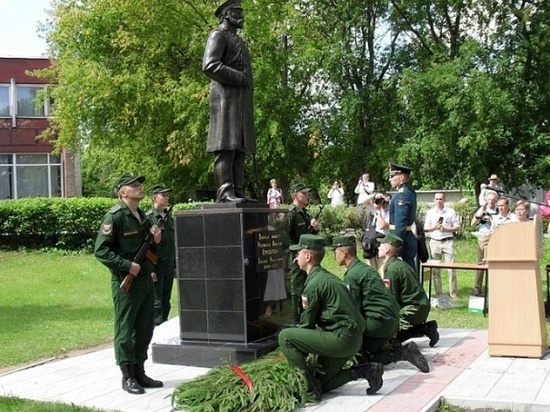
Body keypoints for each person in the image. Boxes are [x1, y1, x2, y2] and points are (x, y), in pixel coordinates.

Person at [278, 234, 384, 399]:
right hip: (353, 339)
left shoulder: (314, 284)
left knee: (285, 337)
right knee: (323, 382)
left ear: (308, 256)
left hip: (341, 339)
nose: (295, 258)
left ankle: (308, 390)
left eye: (298, 254)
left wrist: (297, 355)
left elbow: (307, 325)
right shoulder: (327, 277)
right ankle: (366, 370)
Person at [94, 173, 163, 395]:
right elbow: (101, 251)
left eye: (139, 185)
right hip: (126, 283)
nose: (139, 188)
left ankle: (140, 371)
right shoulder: (114, 217)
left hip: (144, 281)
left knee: (144, 327)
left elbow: (151, 251)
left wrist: (157, 240)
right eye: (134, 186)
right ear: (122, 192)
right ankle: (128, 376)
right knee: (125, 329)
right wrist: (126, 265)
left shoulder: (142, 216)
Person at [332, 236, 429, 373]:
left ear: (343, 252)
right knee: (369, 349)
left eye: (335, 251)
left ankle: (398, 352)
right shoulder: (367, 269)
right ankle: (401, 351)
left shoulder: (352, 276)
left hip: (378, 323)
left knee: (359, 356)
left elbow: (353, 310)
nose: (334, 256)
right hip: (391, 320)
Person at [202, 0, 254, 203]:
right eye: (237, 11)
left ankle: (238, 190)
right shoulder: (218, 35)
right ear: (226, 14)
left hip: (241, 103)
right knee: (226, 147)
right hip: (224, 101)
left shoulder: (239, 41)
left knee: (240, 148)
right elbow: (209, 65)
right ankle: (225, 192)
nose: (242, 16)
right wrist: (238, 77)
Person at [378, 233, 439, 347]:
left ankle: (423, 329)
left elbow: (391, 299)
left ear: (387, 249)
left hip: (413, 309)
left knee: (389, 340)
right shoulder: (398, 264)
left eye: (381, 245)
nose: (378, 247)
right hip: (419, 306)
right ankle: (426, 328)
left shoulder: (391, 269)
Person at [287, 182, 320, 324]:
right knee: (296, 289)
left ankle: (306, 316)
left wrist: (315, 228)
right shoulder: (291, 213)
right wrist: (295, 253)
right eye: (304, 193)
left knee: (307, 286)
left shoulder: (303, 213)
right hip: (296, 257)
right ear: (296, 195)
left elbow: (308, 235)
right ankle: (295, 320)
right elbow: (285, 236)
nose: (307, 196)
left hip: (307, 256)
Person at [146, 184, 175, 326]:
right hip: (156, 266)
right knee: (156, 302)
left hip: (168, 265)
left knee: (166, 299)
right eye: (163, 195)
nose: (167, 197)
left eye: (167, 195)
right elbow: (146, 247)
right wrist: (150, 269)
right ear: (154, 198)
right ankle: (156, 328)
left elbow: (172, 244)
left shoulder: (169, 218)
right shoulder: (149, 218)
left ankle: (164, 324)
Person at [423, 192, 461, 299]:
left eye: (440, 199)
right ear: (434, 200)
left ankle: (453, 294)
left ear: (444, 200)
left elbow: (457, 227)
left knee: (451, 268)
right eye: (437, 199)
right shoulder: (430, 212)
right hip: (434, 241)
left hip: (448, 241)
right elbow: (425, 228)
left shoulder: (450, 212)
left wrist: (445, 229)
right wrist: (434, 227)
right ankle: (439, 293)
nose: (438, 201)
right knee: (435, 270)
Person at [388, 162, 417, 270]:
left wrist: (396, 244)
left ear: (401, 177)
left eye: (392, 176)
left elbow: (400, 222)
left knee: (404, 273)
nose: (390, 179)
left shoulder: (402, 195)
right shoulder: (409, 191)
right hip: (407, 237)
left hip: (401, 239)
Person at [471, 191, 499, 296]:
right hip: (483, 236)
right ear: (486, 200)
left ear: (496, 200)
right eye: (489, 199)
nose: (491, 201)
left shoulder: (498, 210)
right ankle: (477, 288)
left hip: (495, 236)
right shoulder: (482, 209)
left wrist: (491, 220)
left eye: (493, 200)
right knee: (481, 263)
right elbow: (472, 223)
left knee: (494, 262)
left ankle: (493, 287)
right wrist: (479, 216)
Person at [361, 192, 391, 271]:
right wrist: (375, 195)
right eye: (381, 202)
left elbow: (382, 225)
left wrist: (378, 211)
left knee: (383, 271)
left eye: (386, 202)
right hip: (373, 244)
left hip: (384, 245)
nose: (383, 204)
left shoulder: (391, 214)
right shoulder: (378, 210)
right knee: (372, 270)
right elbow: (364, 202)